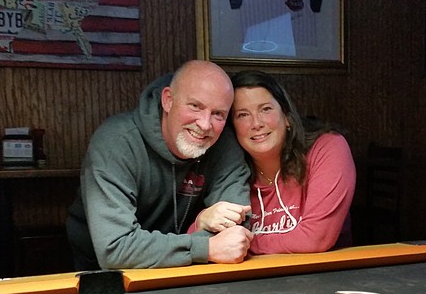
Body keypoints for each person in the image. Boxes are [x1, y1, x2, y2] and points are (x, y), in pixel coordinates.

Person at [66, 60, 253, 270]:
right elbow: (115, 249)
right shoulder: (116, 141)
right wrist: (204, 245)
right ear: (168, 100)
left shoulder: (224, 144)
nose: (205, 124)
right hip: (105, 277)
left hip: (190, 270)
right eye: (195, 106)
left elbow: (235, 235)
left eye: (218, 114)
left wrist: (200, 233)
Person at [191, 70, 356, 254]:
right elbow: (197, 242)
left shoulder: (327, 147)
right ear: (232, 128)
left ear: (286, 116)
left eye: (265, 109)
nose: (256, 123)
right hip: (250, 280)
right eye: (243, 115)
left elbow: (316, 239)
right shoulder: (231, 173)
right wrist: (201, 222)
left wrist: (238, 244)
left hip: (326, 277)